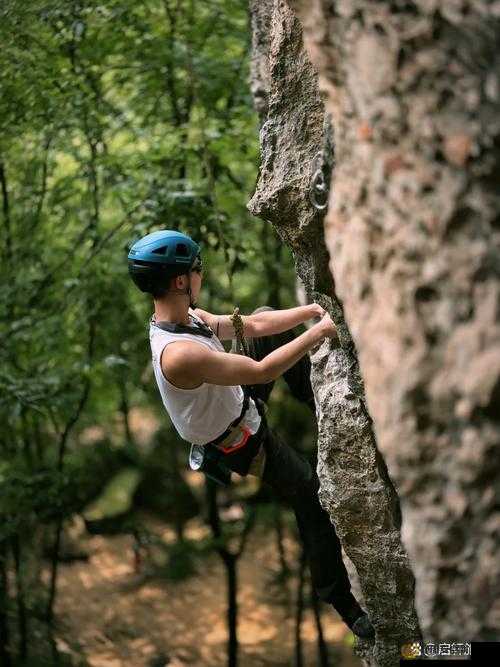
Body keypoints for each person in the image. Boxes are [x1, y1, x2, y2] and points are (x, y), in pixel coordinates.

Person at [128, 229, 375, 640]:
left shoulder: (192, 319)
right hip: (243, 442)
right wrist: (321, 330)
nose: (200, 276)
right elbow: (261, 371)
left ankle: (319, 405)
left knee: (263, 321)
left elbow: (255, 324)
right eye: (196, 270)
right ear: (179, 281)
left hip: (240, 401)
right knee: (309, 493)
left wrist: (313, 308)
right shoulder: (179, 353)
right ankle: (343, 602)